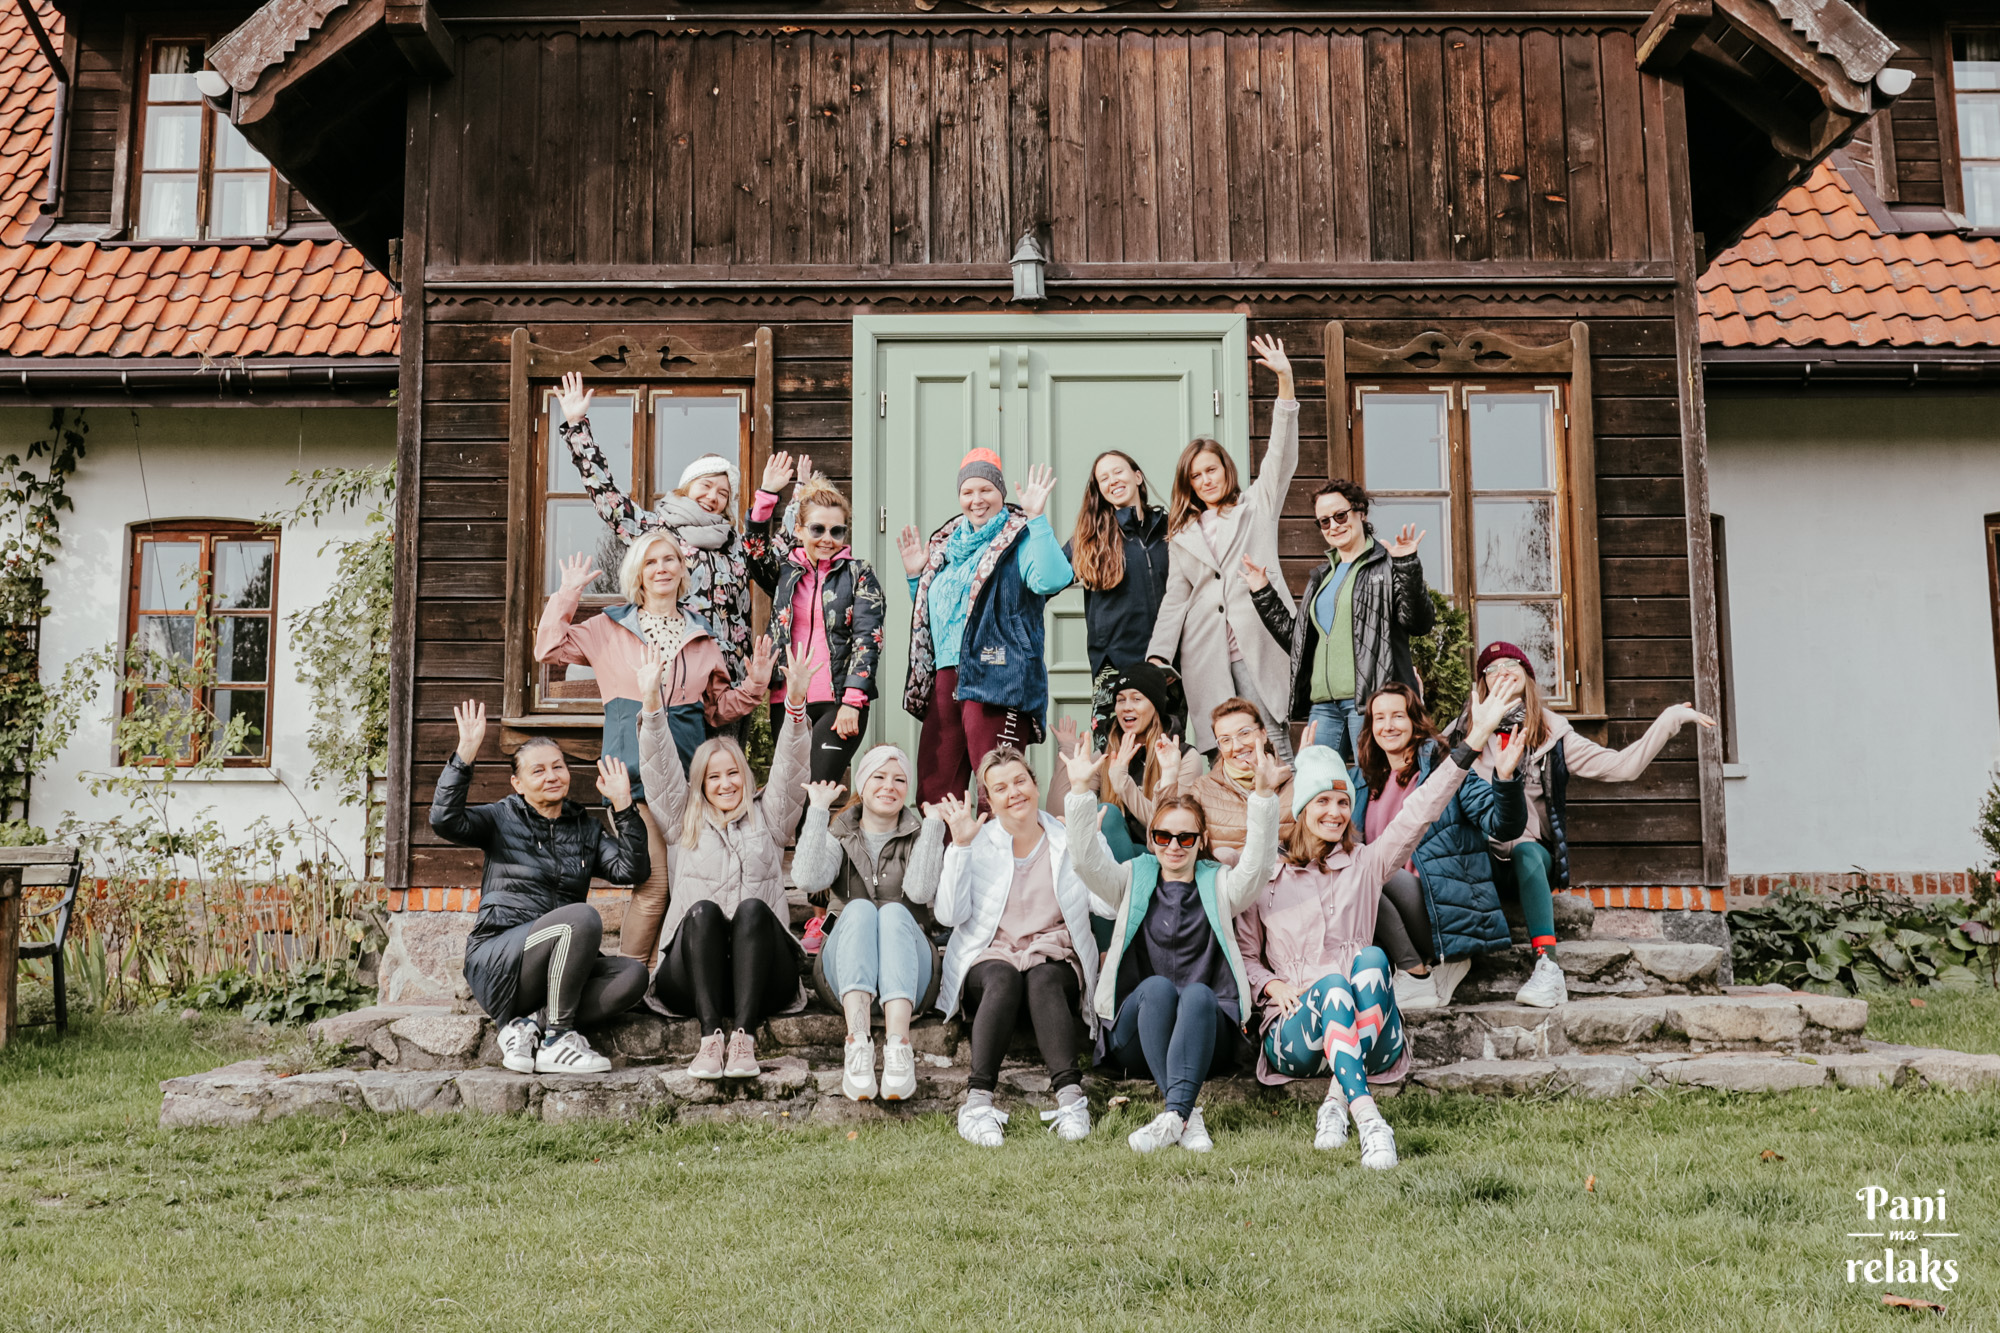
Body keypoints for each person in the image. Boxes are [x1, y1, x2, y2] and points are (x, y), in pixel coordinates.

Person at [1235, 676, 1522, 1168]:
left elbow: (1422, 809)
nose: (1335, 812)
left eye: (1343, 802)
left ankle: (1338, 1103)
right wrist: (1269, 984)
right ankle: (1369, 1119)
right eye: (1322, 801)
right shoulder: (1266, 876)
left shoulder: (1366, 864)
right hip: (1296, 1034)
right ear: (1301, 809)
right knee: (1331, 987)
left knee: (1370, 959)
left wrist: (1474, 740)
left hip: (1369, 1029)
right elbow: (1244, 955)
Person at [535, 529, 774, 960]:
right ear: (638, 574)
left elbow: (716, 710)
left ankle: (658, 979)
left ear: (682, 570)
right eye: (650, 561)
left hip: (687, 785)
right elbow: (548, 648)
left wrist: (756, 684)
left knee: (682, 883)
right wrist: (567, 593)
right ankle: (629, 978)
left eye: (669, 560)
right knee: (655, 883)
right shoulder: (608, 627)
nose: (661, 568)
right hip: (633, 781)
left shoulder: (701, 635)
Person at [1451, 641, 1717, 1009]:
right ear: (1482, 683)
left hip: (1527, 861)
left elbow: (1622, 767)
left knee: (1527, 853)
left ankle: (1547, 968)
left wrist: (1668, 721)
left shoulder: (1551, 734)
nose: (1503, 671)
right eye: (1492, 668)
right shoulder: (1461, 734)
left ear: (1527, 675)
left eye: (1511, 663)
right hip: (1478, 859)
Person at [1062, 736, 1286, 1153]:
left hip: (1206, 1036)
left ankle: (1175, 1116)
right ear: (1151, 839)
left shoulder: (1220, 884)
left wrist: (1263, 796)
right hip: (1137, 1035)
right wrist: (1078, 792)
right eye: (1164, 836)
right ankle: (1186, 1115)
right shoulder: (1132, 878)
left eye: (1186, 837)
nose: (1174, 846)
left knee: (1198, 995)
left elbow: (1257, 866)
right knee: (1159, 989)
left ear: (1202, 839)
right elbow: (1085, 862)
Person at [428, 701, 649, 1076]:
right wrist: (465, 753)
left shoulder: (585, 829)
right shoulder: (501, 817)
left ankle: (529, 1025)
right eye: (539, 770)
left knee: (632, 976)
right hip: (500, 959)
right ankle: (558, 1039)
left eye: (558, 767)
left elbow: (632, 870)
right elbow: (444, 820)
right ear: (517, 783)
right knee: (581, 918)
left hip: (554, 968)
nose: (552, 776)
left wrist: (624, 805)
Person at [638, 642, 817, 1081]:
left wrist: (796, 703)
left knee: (753, 910)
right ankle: (709, 1040)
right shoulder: (682, 819)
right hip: (694, 976)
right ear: (700, 783)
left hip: (763, 975)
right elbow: (660, 768)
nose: (725, 784)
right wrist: (652, 703)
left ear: (745, 776)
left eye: (733, 773)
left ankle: (744, 1040)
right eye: (714, 776)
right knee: (703, 912)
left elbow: (791, 770)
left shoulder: (769, 818)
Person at [932, 747, 1111, 1147]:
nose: (1013, 792)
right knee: (1004, 977)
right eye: (1000, 788)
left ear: (1035, 785)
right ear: (989, 800)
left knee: (1043, 978)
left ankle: (1071, 1101)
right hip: (991, 956)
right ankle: (977, 1105)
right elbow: (948, 915)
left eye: (1020, 781)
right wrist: (960, 848)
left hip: (1053, 954)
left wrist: (1092, 841)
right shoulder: (976, 841)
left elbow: (1108, 906)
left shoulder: (1066, 838)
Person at [1146, 335, 1299, 761]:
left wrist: (1285, 382)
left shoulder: (1256, 505)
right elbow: (1175, 598)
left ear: (1225, 469)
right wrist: (1158, 655)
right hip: (1207, 655)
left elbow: (1281, 455)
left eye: (1211, 470)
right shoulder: (1183, 534)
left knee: (1273, 745)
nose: (1206, 480)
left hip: (1256, 647)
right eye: (1196, 476)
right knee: (1225, 756)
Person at [553, 370, 756, 688]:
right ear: (687, 487)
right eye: (705, 486)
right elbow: (608, 497)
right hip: (675, 677)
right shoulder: (658, 530)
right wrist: (577, 427)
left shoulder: (735, 543)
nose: (713, 497)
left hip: (729, 682)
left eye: (723, 493)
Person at [897, 451, 1073, 805]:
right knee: (936, 788)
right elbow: (939, 616)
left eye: (986, 490)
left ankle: (1004, 844)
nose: (976, 500)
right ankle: (946, 844)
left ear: (1001, 493)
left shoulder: (1020, 539)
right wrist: (917, 578)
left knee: (998, 786)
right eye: (968, 492)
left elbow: (1054, 578)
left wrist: (1037, 519)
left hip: (998, 674)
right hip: (946, 675)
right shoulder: (947, 546)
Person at [1349, 683, 1526, 1012]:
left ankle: (1414, 974)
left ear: (1415, 720)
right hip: (1382, 918)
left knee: (1371, 866)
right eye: (1379, 718)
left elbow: (1504, 826)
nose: (1388, 726)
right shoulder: (1360, 782)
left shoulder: (1446, 772)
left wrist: (1505, 778)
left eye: (1398, 716)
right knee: (1356, 867)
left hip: (1441, 915)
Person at [789, 744, 948, 1102]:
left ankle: (898, 1049)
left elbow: (920, 892)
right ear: (863, 783)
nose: (889, 786)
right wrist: (818, 810)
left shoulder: (920, 834)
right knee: (859, 910)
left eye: (899, 780)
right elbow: (807, 879)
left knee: (893, 912)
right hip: (844, 978)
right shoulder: (841, 833)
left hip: (910, 977)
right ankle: (858, 1046)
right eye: (879, 777)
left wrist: (934, 825)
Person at [1242, 478, 1432, 765]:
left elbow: (1419, 623)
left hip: (1370, 701)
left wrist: (1407, 564)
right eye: (1324, 521)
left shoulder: (1386, 566)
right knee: (1316, 781)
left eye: (1340, 516)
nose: (1334, 526)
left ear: (1360, 512)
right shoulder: (1322, 577)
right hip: (1324, 706)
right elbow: (1298, 642)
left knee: (1373, 780)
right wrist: (1263, 593)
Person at [745, 452, 887, 784]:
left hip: (839, 701)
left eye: (837, 531)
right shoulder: (784, 572)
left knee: (816, 791)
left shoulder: (859, 574)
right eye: (818, 529)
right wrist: (767, 494)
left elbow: (868, 640)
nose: (827, 539)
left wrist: (853, 701)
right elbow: (754, 551)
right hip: (787, 700)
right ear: (799, 529)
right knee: (789, 794)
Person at [1047, 660, 1203, 861]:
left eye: (1136, 699)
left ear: (1155, 705)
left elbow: (1169, 828)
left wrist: (1122, 783)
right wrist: (1068, 751)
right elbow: (1059, 818)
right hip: (1117, 858)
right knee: (1107, 814)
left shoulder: (1183, 756)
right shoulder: (1108, 753)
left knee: (1109, 815)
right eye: (1120, 700)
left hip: (1165, 856)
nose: (1127, 707)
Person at [1065, 450, 1171, 679]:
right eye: (1104, 478)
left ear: (1137, 477)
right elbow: (1047, 581)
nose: (1112, 480)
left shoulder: (1169, 529)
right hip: (1113, 667)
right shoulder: (1089, 538)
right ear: (1100, 491)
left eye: (1118, 472)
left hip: (1166, 661)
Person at [1185, 697, 1295, 863]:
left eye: (1244, 733)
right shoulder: (1202, 789)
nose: (1236, 746)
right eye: (1225, 740)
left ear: (1263, 734)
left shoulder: (1294, 787)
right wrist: (1168, 776)